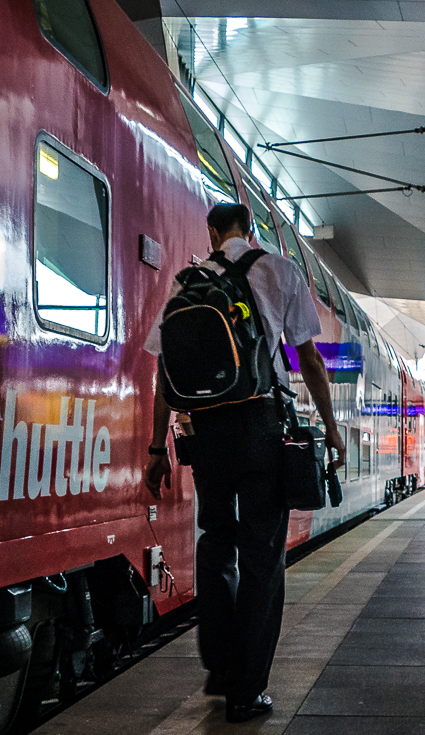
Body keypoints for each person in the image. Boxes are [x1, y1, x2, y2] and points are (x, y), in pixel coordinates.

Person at [143, 203, 345, 724]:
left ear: (212, 233)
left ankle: (219, 667)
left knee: (214, 543)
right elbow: (310, 359)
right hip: (262, 428)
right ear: (250, 230)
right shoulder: (279, 270)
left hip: (206, 433)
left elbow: (166, 371)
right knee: (261, 557)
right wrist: (331, 426)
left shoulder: (187, 282)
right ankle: (247, 689)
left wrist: (153, 448)